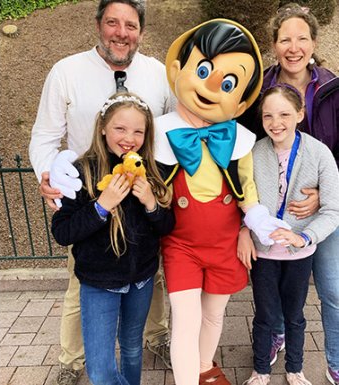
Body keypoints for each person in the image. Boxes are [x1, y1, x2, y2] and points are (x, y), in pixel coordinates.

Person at [28, 1, 176, 382]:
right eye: (113, 23)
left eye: (130, 25)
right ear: (99, 25)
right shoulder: (67, 71)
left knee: (150, 282)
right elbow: (45, 135)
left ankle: (156, 338)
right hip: (89, 197)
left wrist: (157, 193)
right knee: (82, 288)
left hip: (143, 200)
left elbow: (175, 131)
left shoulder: (159, 74)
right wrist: (53, 176)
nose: (121, 33)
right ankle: (73, 359)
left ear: (141, 30)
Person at [153, 19, 290, 385]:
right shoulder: (159, 133)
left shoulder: (241, 141)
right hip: (181, 244)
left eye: (228, 83)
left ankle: (202, 368)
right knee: (185, 318)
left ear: (241, 100)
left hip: (225, 244)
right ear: (177, 70)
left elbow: (249, 192)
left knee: (214, 315)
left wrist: (256, 224)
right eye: (203, 70)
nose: (213, 86)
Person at [237, 5, 339, 382]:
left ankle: (334, 358)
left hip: (317, 216)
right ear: (274, 45)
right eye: (285, 39)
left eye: (301, 38)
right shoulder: (255, 91)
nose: (293, 47)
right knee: (269, 300)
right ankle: (272, 340)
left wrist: (321, 195)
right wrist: (245, 225)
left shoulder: (333, 88)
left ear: (313, 43)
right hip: (269, 219)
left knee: (331, 289)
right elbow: (242, 164)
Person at [51, 93, 175, 385]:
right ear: (103, 127)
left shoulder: (151, 173)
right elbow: (62, 231)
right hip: (98, 284)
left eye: (138, 131)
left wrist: (151, 205)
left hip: (141, 280)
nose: (129, 138)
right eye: (120, 128)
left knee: (132, 348)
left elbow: (167, 226)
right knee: (101, 370)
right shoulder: (81, 172)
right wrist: (100, 207)